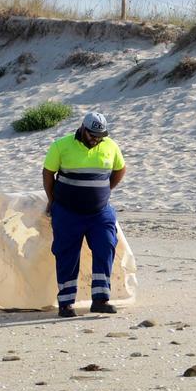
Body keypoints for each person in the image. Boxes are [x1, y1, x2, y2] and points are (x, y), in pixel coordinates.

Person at [42, 111, 126, 317]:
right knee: (67, 255)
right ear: (82, 128)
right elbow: (47, 172)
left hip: (100, 212)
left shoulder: (111, 146)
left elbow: (120, 169)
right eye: (92, 135)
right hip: (67, 211)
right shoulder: (61, 145)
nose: (96, 139)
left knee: (106, 246)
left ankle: (100, 299)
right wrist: (52, 201)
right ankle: (66, 303)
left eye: (100, 136)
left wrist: (103, 191)